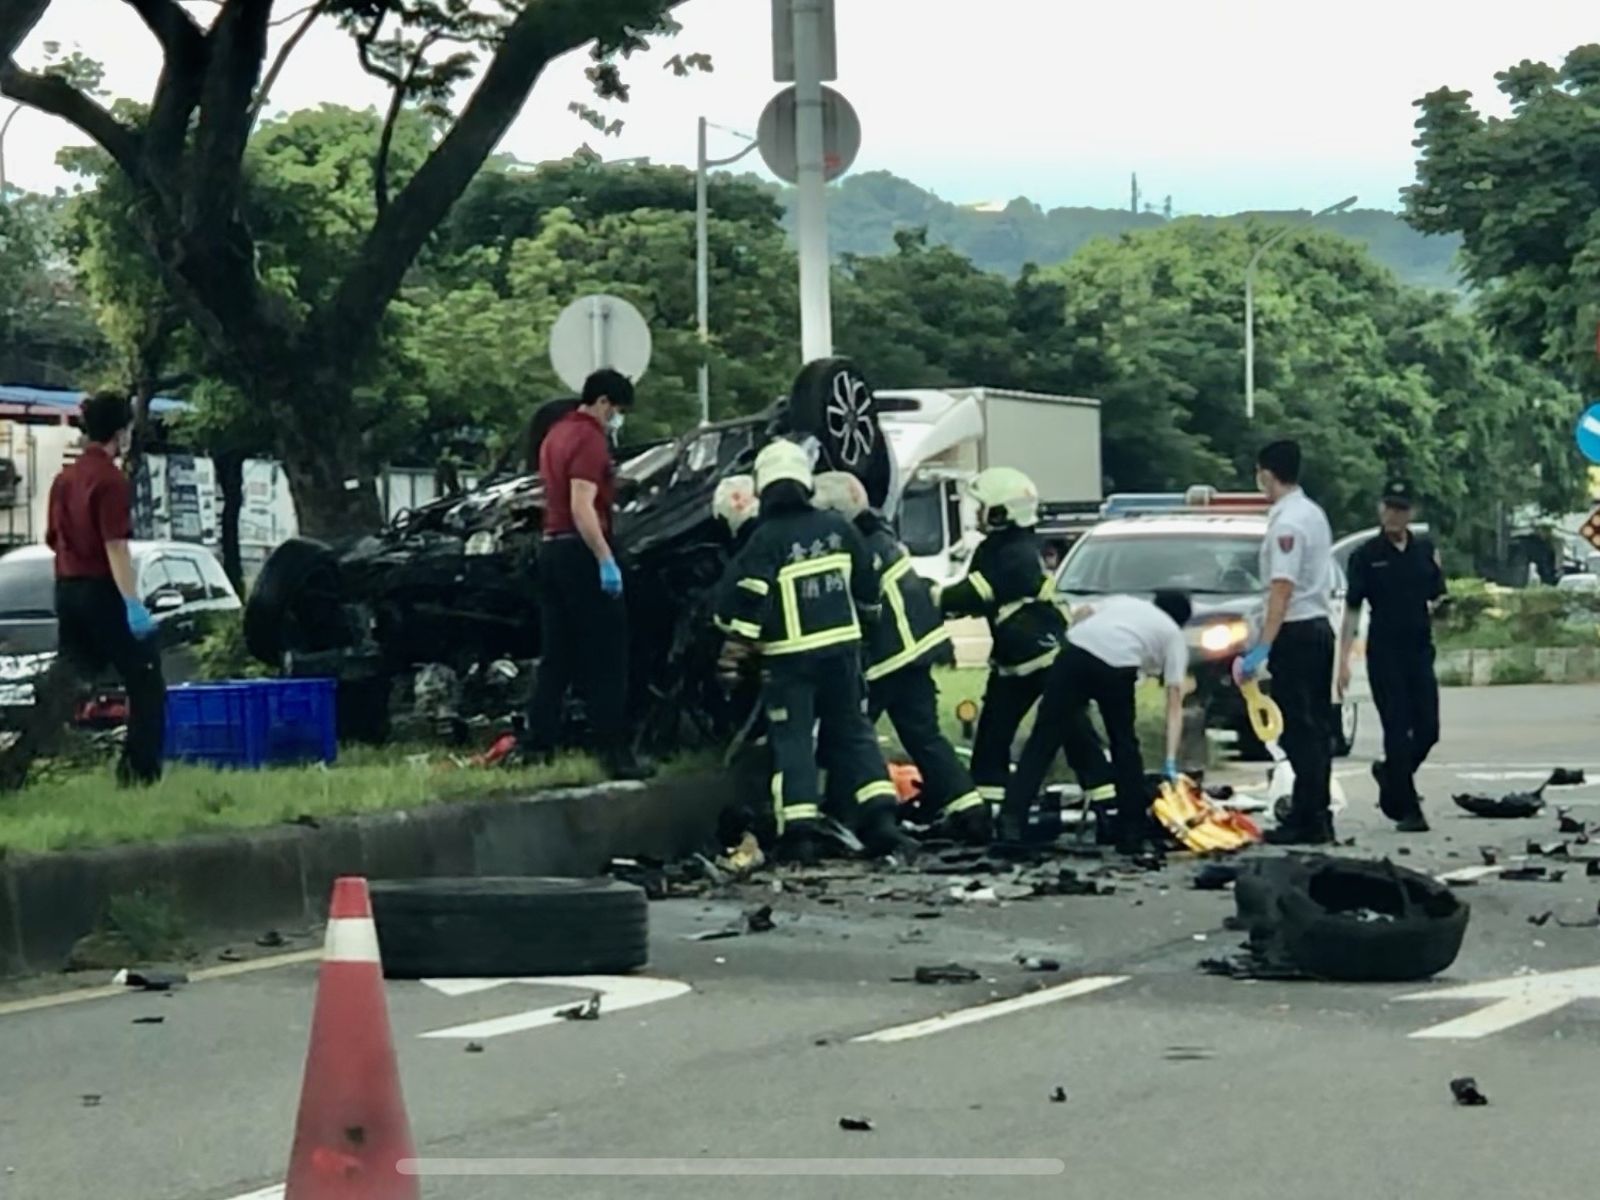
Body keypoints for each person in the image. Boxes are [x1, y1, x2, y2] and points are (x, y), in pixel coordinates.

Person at [712, 441, 913, 864]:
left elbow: (742, 602)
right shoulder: (839, 528)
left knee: (794, 742)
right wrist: (864, 628)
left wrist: (738, 644)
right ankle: (881, 821)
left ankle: (800, 833)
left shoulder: (765, 539)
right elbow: (868, 589)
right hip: (843, 655)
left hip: (790, 663)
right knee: (855, 734)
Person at [812, 472, 988, 844]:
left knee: (849, 735)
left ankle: (851, 815)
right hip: (917, 651)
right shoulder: (881, 537)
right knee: (923, 735)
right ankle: (969, 810)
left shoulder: (855, 546)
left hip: (888, 659)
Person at [5, 391, 166, 789]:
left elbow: (52, 538)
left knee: (68, 681)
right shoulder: (110, 480)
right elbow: (115, 547)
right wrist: (132, 603)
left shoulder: (65, 479)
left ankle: (14, 762)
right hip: (100, 590)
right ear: (121, 432)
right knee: (146, 681)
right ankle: (138, 774)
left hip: (66, 590)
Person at [524, 368, 653, 780]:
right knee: (607, 654)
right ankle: (614, 752)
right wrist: (604, 558)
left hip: (550, 547)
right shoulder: (589, 440)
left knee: (557, 654)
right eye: (616, 409)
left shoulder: (556, 434)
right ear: (602, 402)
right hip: (581, 550)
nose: (616, 418)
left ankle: (537, 743)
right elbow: (583, 505)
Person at [999, 591, 1192, 852]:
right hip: (1117, 665)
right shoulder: (1173, 634)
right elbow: (1174, 701)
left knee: (1043, 739)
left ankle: (1011, 821)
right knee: (1123, 744)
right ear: (1182, 620)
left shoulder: (1127, 602)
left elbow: (1083, 613)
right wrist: (1170, 758)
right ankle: (1131, 831)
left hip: (1075, 653)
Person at [937, 467, 1069, 819]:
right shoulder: (1003, 547)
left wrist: (931, 596)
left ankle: (1109, 802)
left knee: (1070, 731)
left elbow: (977, 592)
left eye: (984, 507)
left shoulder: (1014, 554)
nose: (978, 514)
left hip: (1041, 657)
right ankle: (989, 806)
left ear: (1002, 511)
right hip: (1016, 658)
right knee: (993, 736)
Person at [1236, 440, 1337, 845]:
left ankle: (1309, 817)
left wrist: (1262, 647)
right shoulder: (1312, 513)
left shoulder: (1287, 524)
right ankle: (1316, 812)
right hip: (1318, 628)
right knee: (1315, 726)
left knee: (1298, 729)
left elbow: (1281, 589)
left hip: (1295, 631)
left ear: (1266, 473)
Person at [1338, 478, 1443, 834]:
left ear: (1411, 512)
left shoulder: (1424, 549)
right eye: (1389, 507)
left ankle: (1391, 775)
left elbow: (1436, 596)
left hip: (1419, 648)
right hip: (1385, 652)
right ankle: (1408, 808)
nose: (1394, 515)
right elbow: (1351, 611)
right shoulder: (1366, 556)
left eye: (1401, 508)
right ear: (1380, 509)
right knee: (1396, 730)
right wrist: (1343, 663)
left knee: (1428, 729)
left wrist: (1447, 611)